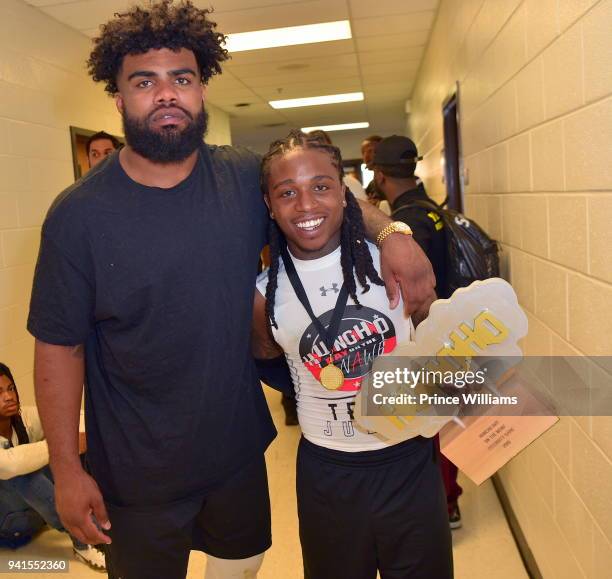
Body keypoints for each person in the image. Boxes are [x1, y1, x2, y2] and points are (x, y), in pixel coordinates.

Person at [27, 2, 435, 578]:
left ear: (201, 90)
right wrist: (67, 470)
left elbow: (322, 191)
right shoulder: (77, 217)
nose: (166, 94)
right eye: (145, 82)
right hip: (138, 469)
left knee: (244, 566)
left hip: (235, 455)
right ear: (118, 99)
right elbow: (58, 348)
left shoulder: (244, 177)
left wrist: (393, 231)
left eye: (182, 79)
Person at [252, 130, 452, 579]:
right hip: (328, 473)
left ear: (345, 193)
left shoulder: (393, 262)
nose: (306, 206)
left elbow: (439, 341)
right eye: (288, 193)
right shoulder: (266, 294)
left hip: (409, 462)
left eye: (321, 187)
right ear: (269, 204)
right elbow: (267, 358)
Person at [373, 134, 463, 528]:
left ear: (378, 175)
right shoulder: (433, 210)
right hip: (451, 331)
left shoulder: (402, 226)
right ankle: (449, 501)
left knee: (434, 431)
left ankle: (443, 506)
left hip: (429, 339)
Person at [0, 363, 105, 570]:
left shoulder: (24, 417)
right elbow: (8, 465)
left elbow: (73, 419)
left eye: (10, 388)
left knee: (72, 444)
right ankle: (84, 541)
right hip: (9, 526)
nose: (8, 397)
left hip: (37, 517)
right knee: (19, 472)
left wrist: (69, 442)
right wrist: (61, 445)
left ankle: (100, 520)